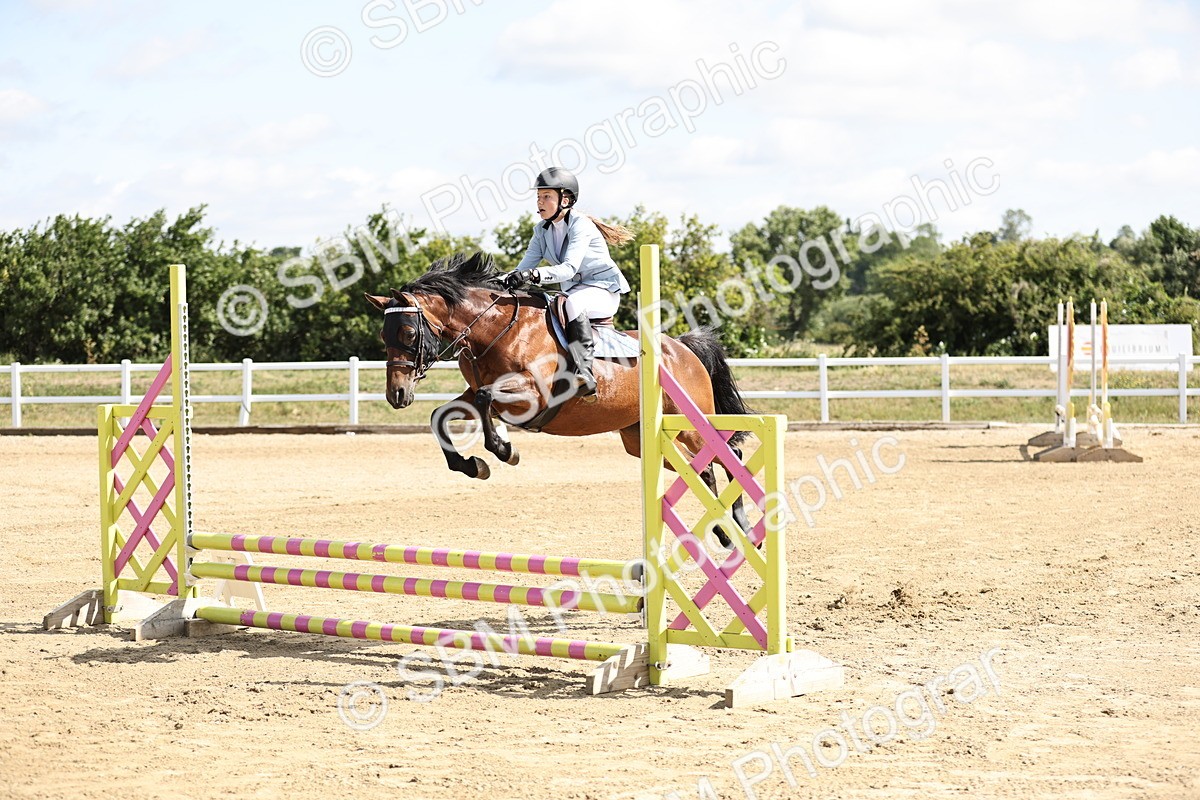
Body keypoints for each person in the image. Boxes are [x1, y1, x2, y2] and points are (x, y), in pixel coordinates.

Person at [502, 167, 632, 397]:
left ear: (566, 199)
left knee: (572, 303)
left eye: (546, 197)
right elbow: (522, 268)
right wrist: (496, 281)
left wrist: (534, 275)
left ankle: (584, 372)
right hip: (575, 291)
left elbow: (568, 269)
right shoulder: (541, 230)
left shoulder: (580, 224)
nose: (540, 203)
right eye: (538, 197)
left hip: (603, 290)